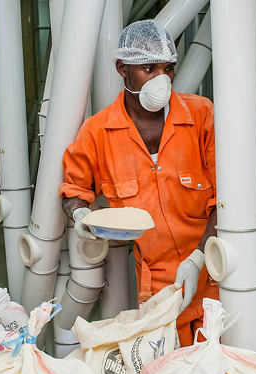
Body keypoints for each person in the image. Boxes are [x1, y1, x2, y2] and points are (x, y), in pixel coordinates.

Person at [59, 20, 217, 346]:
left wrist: (199, 259)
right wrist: (80, 217)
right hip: (160, 289)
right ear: (122, 68)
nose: (162, 80)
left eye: (168, 68)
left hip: (216, 270)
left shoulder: (201, 116)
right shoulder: (98, 133)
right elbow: (73, 192)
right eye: (149, 68)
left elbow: (228, 200)